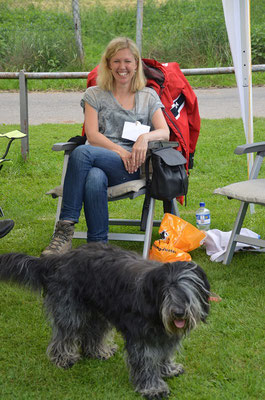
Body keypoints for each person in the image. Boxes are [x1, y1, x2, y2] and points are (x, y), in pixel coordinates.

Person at [41, 37, 169, 256]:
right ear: (108, 64)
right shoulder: (94, 95)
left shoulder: (148, 96)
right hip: (102, 160)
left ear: (136, 64)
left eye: (128, 61)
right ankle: (98, 248)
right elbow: (92, 134)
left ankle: (64, 231)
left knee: (81, 153)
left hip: (131, 168)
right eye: (117, 61)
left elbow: (164, 132)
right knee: (94, 177)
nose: (122, 67)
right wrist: (121, 151)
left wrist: (143, 139)